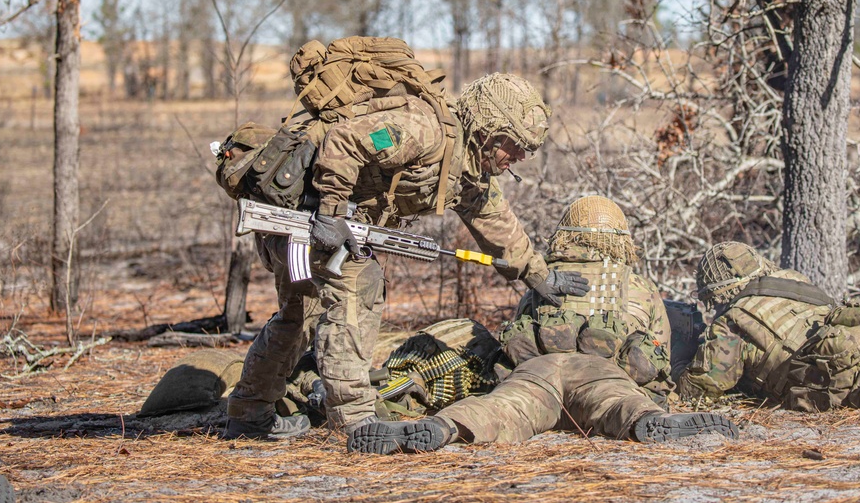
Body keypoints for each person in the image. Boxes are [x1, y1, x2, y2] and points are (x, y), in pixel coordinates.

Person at [224, 71, 590, 439]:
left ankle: (249, 412)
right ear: (487, 129)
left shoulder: (467, 166)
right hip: (301, 216)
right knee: (360, 286)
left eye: (526, 150)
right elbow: (346, 141)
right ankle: (356, 422)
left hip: (320, 223)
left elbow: (494, 219)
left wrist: (539, 275)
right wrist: (332, 211)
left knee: (298, 316)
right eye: (514, 145)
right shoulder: (420, 130)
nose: (520, 157)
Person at [678, 241, 860, 413]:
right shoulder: (793, 279)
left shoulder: (733, 322)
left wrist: (678, 370)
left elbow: (702, 387)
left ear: (715, 292)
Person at [347, 353, 739, 454]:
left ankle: (445, 427)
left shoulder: (545, 279)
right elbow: (654, 360)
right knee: (617, 402)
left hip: (536, 369)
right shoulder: (635, 286)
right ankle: (647, 420)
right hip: (599, 369)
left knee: (504, 407)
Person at [498, 195, 675, 404]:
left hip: (544, 392)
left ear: (563, 234)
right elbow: (661, 354)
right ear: (621, 239)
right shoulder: (641, 286)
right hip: (620, 395)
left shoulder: (543, 283)